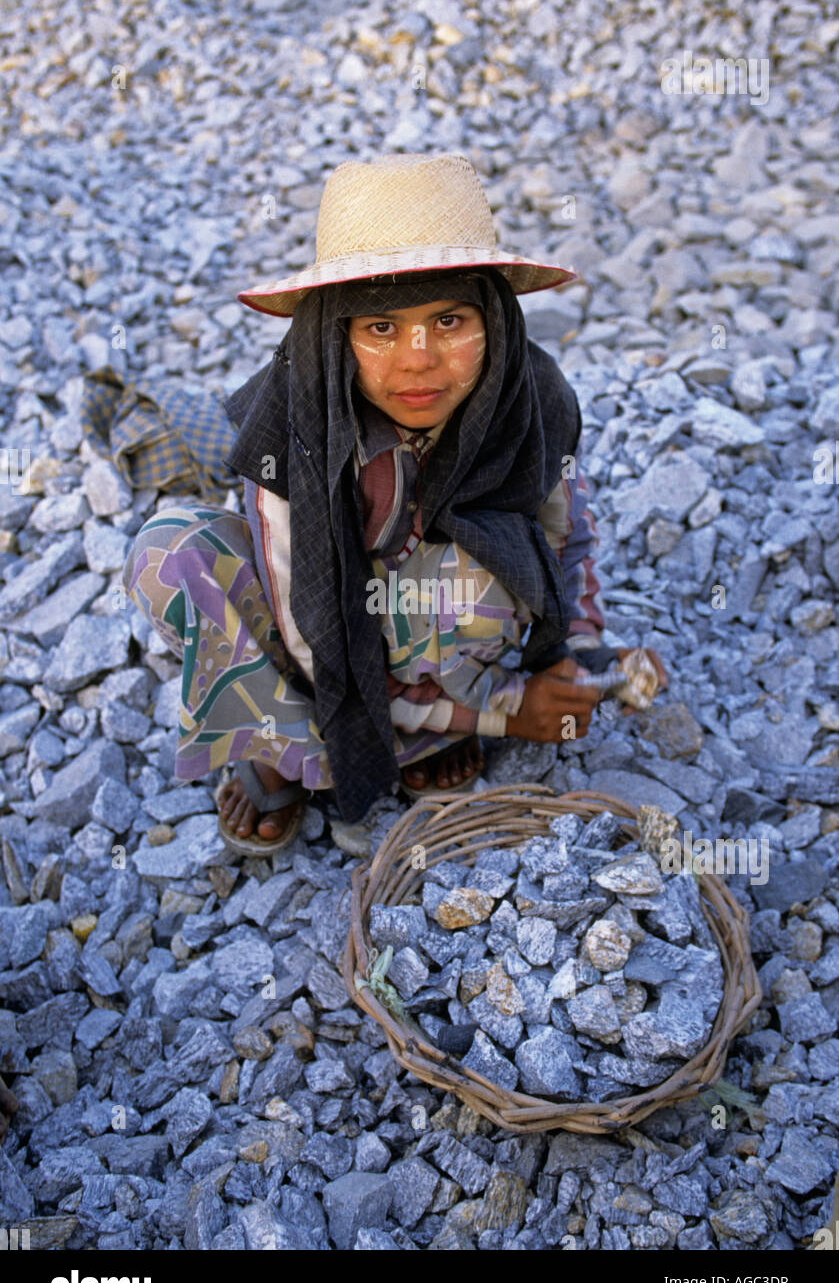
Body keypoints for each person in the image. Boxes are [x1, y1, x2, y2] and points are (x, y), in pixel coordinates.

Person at [122, 152, 666, 854]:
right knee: (169, 552)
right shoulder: (297, 422)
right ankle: (289, 742)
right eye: (380, 328)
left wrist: (586, 658)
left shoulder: (528, 400)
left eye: (449, 321)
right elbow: (305, 630)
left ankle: (428, 735)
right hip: (332, 647)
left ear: (494, 323)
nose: (417, 358)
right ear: (334, 336)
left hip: (451, 643)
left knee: (467, 568)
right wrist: (503, 715)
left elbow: (569, 540)